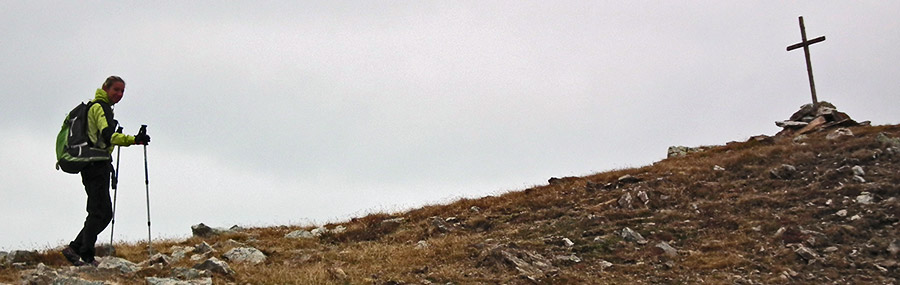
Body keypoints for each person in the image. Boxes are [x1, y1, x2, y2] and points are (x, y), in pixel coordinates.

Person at [61, 76, 150, 266]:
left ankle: (76, 248)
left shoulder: (99, 107)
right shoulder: (100, 107)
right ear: (105, 88)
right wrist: (134, 139)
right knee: (98, 211)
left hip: (94, 164)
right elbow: (107, 136)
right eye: (116, 90)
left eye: (122, 91)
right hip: (95, 164)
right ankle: (85, 254)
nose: (119, 94)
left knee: (102, 212)